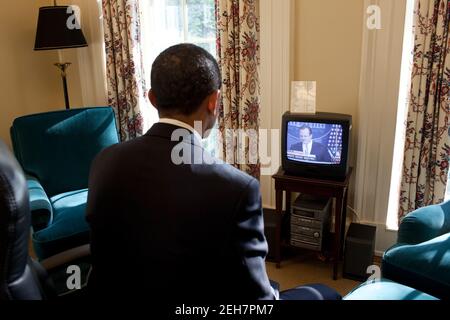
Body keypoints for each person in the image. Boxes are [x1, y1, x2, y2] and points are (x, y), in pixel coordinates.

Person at [85, 44, 276, 300]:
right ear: (213, 101)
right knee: (320, 293)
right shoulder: (238, 189)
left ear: (151, 98)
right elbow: (257, 299)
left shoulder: (104, 161)